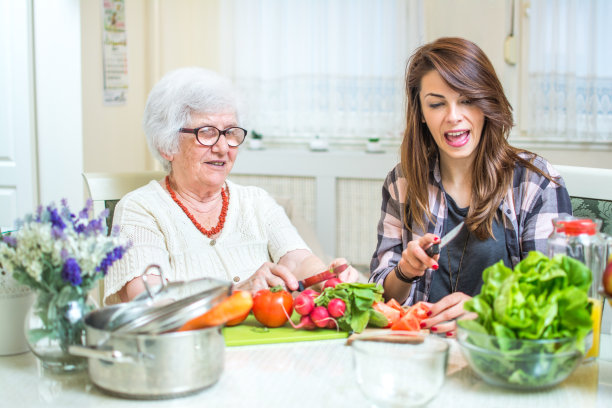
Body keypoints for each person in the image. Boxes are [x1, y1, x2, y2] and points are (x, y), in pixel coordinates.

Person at [369, 37, 572, 335]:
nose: (453, 116)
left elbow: (553, 297)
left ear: (486, 103)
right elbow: (381, 297)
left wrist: (484, 310)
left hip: (499, 355)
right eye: (437, 104)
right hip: (422, 352)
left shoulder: (535, 183)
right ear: (421, 114)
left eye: (466, 100)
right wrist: (405, 271)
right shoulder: (402, 182)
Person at [104, 67, 357, 304]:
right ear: (167, 145)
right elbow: (150, 301)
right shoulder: (140, 210)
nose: (223, 147)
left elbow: (297, 261)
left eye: (230, 132)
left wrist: (327, 279)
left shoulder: (256, 201)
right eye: (206, 132)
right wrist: (234, 295)